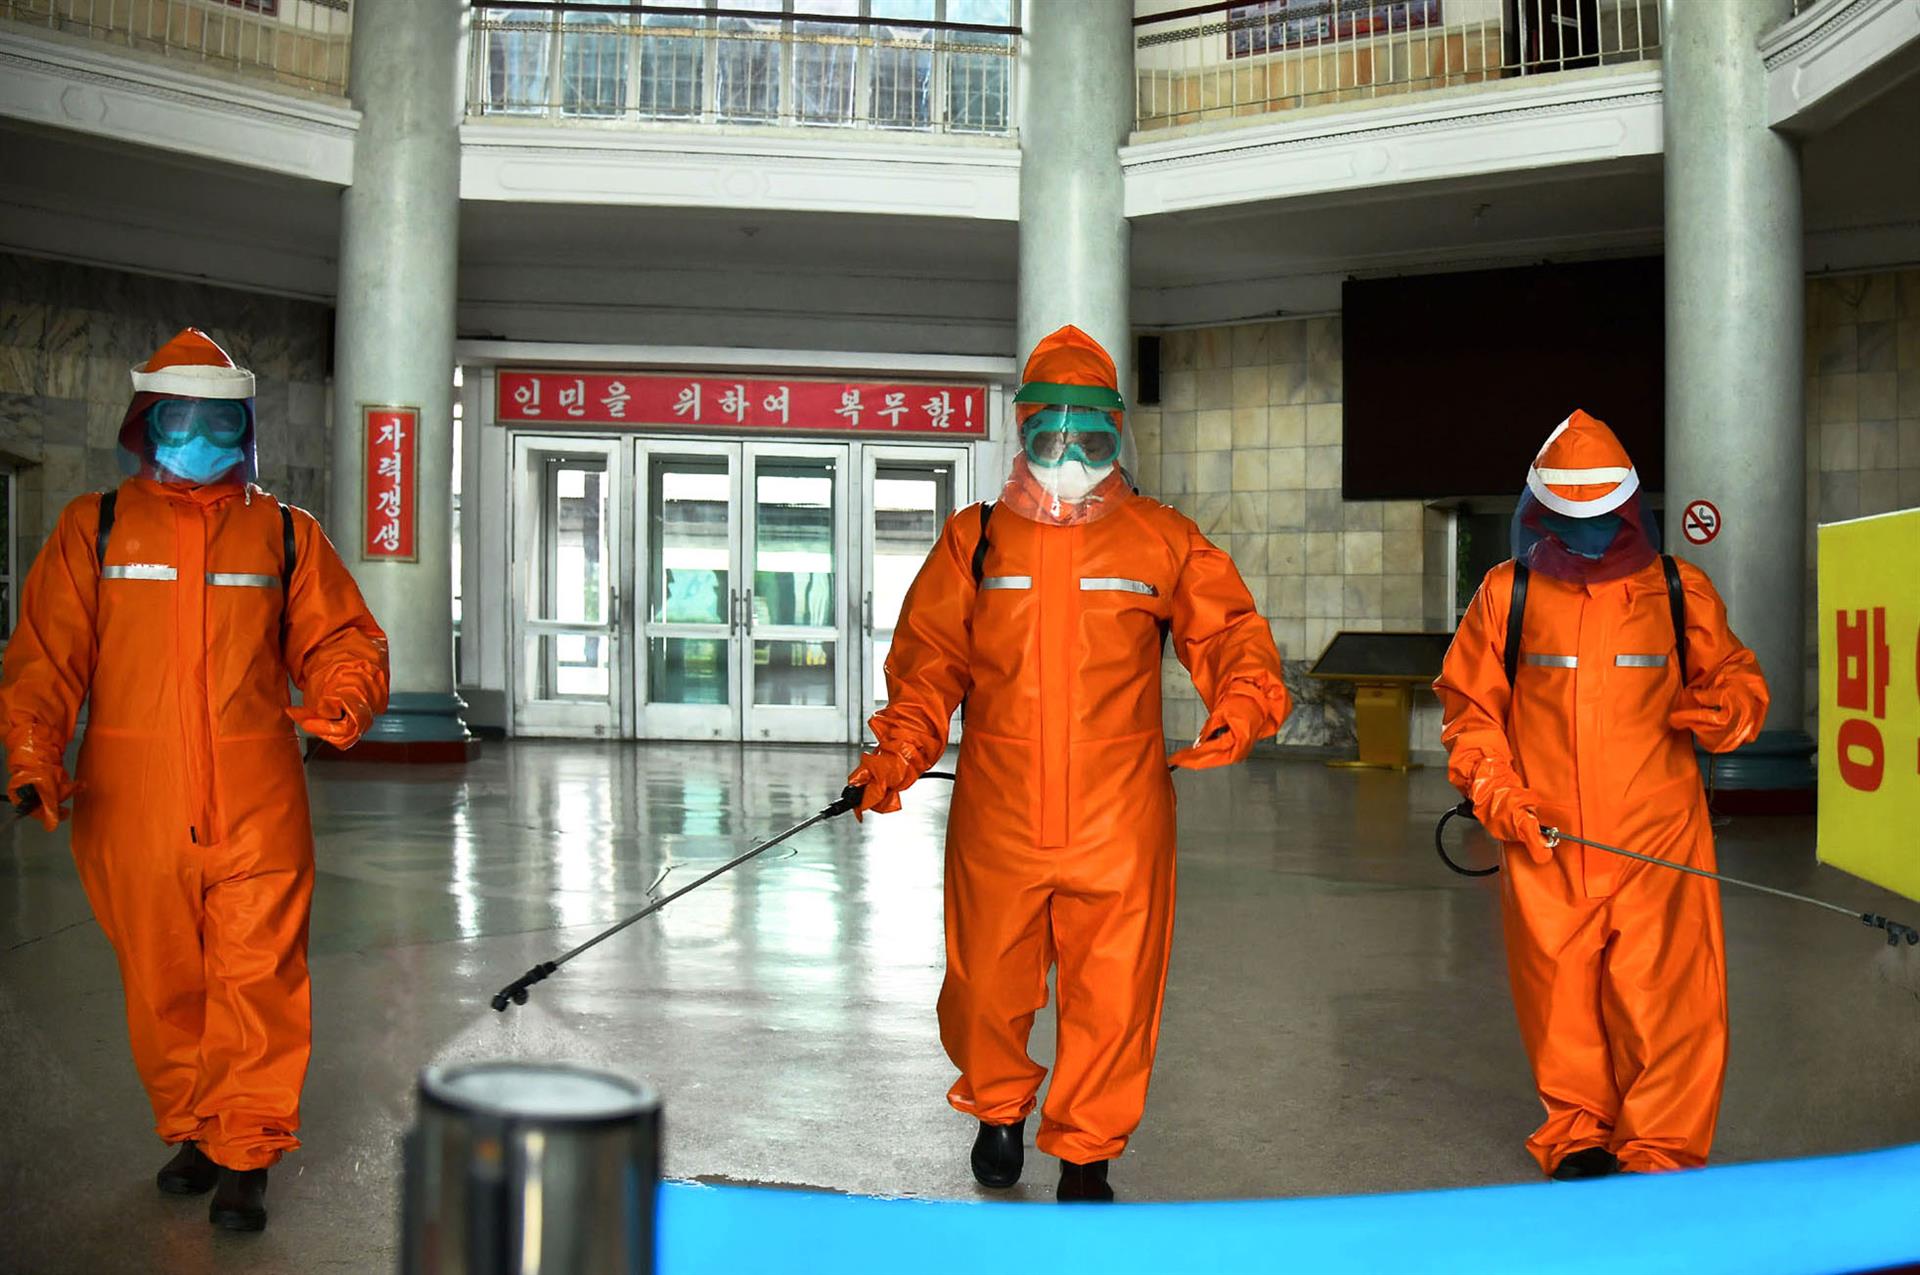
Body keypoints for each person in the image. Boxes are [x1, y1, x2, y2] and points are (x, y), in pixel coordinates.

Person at [847, 324, 1291, 1202]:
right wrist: (895, 754)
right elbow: (929, 662)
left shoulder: (1161, 537)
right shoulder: (974, 541)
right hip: (997, 811)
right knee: (983, 983)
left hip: (1119, 814)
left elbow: (1230, 631)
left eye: (1087, 435)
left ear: (1114, 432)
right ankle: (999, 1108)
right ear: (1022, 432)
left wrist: (1240, 703)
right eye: (1050, 433)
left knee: (1114, 991)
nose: (1068, 454)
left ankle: (1087, 1150)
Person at [0, 328, 390, 1231]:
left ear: (245, 429)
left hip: (257, 798)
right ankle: (193, 1127)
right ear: (146, 423)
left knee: (259, 973)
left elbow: (342, 638)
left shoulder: (287, 535)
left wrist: (342, 700)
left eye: (219, 421)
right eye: (182, 418)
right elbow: (46, 660)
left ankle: (248, 1148)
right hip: (129, 800)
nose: (200, 436)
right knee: (162, 977)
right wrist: (32, 755)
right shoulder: (93, 530)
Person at [1434, 409, 1768, 1180]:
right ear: (1542, 515)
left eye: (1601, 521)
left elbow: (1738, 679)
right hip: (1543, 836)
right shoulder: (1506, 595)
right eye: (1569, 521)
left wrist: (1727, 709)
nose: (1587, 538)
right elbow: (1471, 712)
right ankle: (1578, 1132)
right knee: (1560, 994)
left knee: (1669, 996)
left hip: (1659, 839)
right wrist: (1500, 796)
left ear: (1628, 511)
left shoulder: (1679, 592)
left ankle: (1658, 1150)